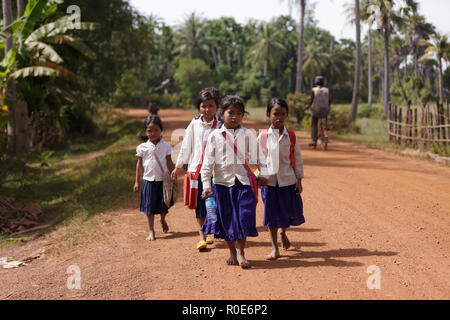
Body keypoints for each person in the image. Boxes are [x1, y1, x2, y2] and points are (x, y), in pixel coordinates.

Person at [200, 95, 266, 269]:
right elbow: (207, 164)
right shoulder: (215, 136)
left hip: (243, 183)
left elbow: (257, 160)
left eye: (239, 113)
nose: (235, 116)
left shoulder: (249, 135)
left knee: (244, 217)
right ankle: (232, 252)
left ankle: (242, 252)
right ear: (221, 114)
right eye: (231, 112)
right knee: (227, 219)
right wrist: (206, 186)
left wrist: (259, 175)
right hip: (221, 184)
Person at [171, 87, 222, 251]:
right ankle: (202, 236)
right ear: (199, 107)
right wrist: (178, 166)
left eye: (211, 106)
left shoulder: (221, 125)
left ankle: (211, 231)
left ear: (217, 107)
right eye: (203, 106)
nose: (207, 109)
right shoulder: (194, 124)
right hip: (197, 172)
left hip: (216, 173)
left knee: (213, 205)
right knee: (200, 204)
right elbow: (186, 146)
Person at [258, 98, 305, 260]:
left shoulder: (291, 136)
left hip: (287, 181)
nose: (279, 117)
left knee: (287, 213)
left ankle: (283, 232)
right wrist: (259, 177)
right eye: (275, 113)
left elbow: (297, 159)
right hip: (269, 183)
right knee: (271, 215)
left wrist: (299, 180)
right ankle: (274, 248)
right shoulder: (263, 136)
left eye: (283, 114)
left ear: (287, 116)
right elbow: (257, 159)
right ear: (268, 115)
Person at [133, 115, 174, 241]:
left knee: (164, 205)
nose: (153, 133)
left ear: (161, 130)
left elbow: (169, 162)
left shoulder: (166, 146)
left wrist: (173, 176)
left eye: (156, 130)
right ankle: (151, 231)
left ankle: (162, 219)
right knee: (149, 208)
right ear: (145, 131)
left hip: (163, 181)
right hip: (148, 181)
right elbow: (139, 165)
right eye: (149, 130)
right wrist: (136, 182)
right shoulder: (142, 147)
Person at [306, 76, 331, 147]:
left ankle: (313, 140)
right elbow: (329, 101)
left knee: (314, 123)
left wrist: (307, 106)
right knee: (325, 118)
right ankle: (325, 129)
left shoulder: (314, 90)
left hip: (316, 110)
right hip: (325, 110)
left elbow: (311, 101)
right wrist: (327, 106)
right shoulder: (327, 90)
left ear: (316, 82)